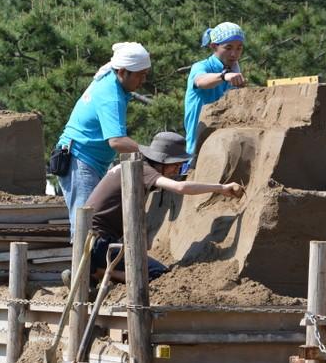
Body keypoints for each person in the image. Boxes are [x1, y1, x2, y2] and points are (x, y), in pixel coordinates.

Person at [63, 132, 243, 287]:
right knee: (159, 274)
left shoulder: (134, 166)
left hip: (92, 243)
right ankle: (94, 274)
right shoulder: (143, 169)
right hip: (98, 245)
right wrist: (221, 188)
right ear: (161, 160)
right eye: (175, 164)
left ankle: (94, 271)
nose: (178, 169)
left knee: (145, 266)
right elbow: (181, 188)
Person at [55, 42, 151, 237]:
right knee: (86, 224)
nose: (143, 80)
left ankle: (88, 267)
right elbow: (117, 141)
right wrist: (152, 154)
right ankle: (82, 268)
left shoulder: (111, 79)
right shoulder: (111, 95)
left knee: (92, 221)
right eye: (140, 75)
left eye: (145, 73)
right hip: (79, 160)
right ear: (123, 72)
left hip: (89, 161)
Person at [183, 22, 246, 168]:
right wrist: (224, 76)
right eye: (228, 48)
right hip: (196, 150)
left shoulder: (235, 71)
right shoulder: (202, 67)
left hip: (222, 148)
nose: (234, 54)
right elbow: (200, 81)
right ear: (213, 47)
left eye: (239, 48)